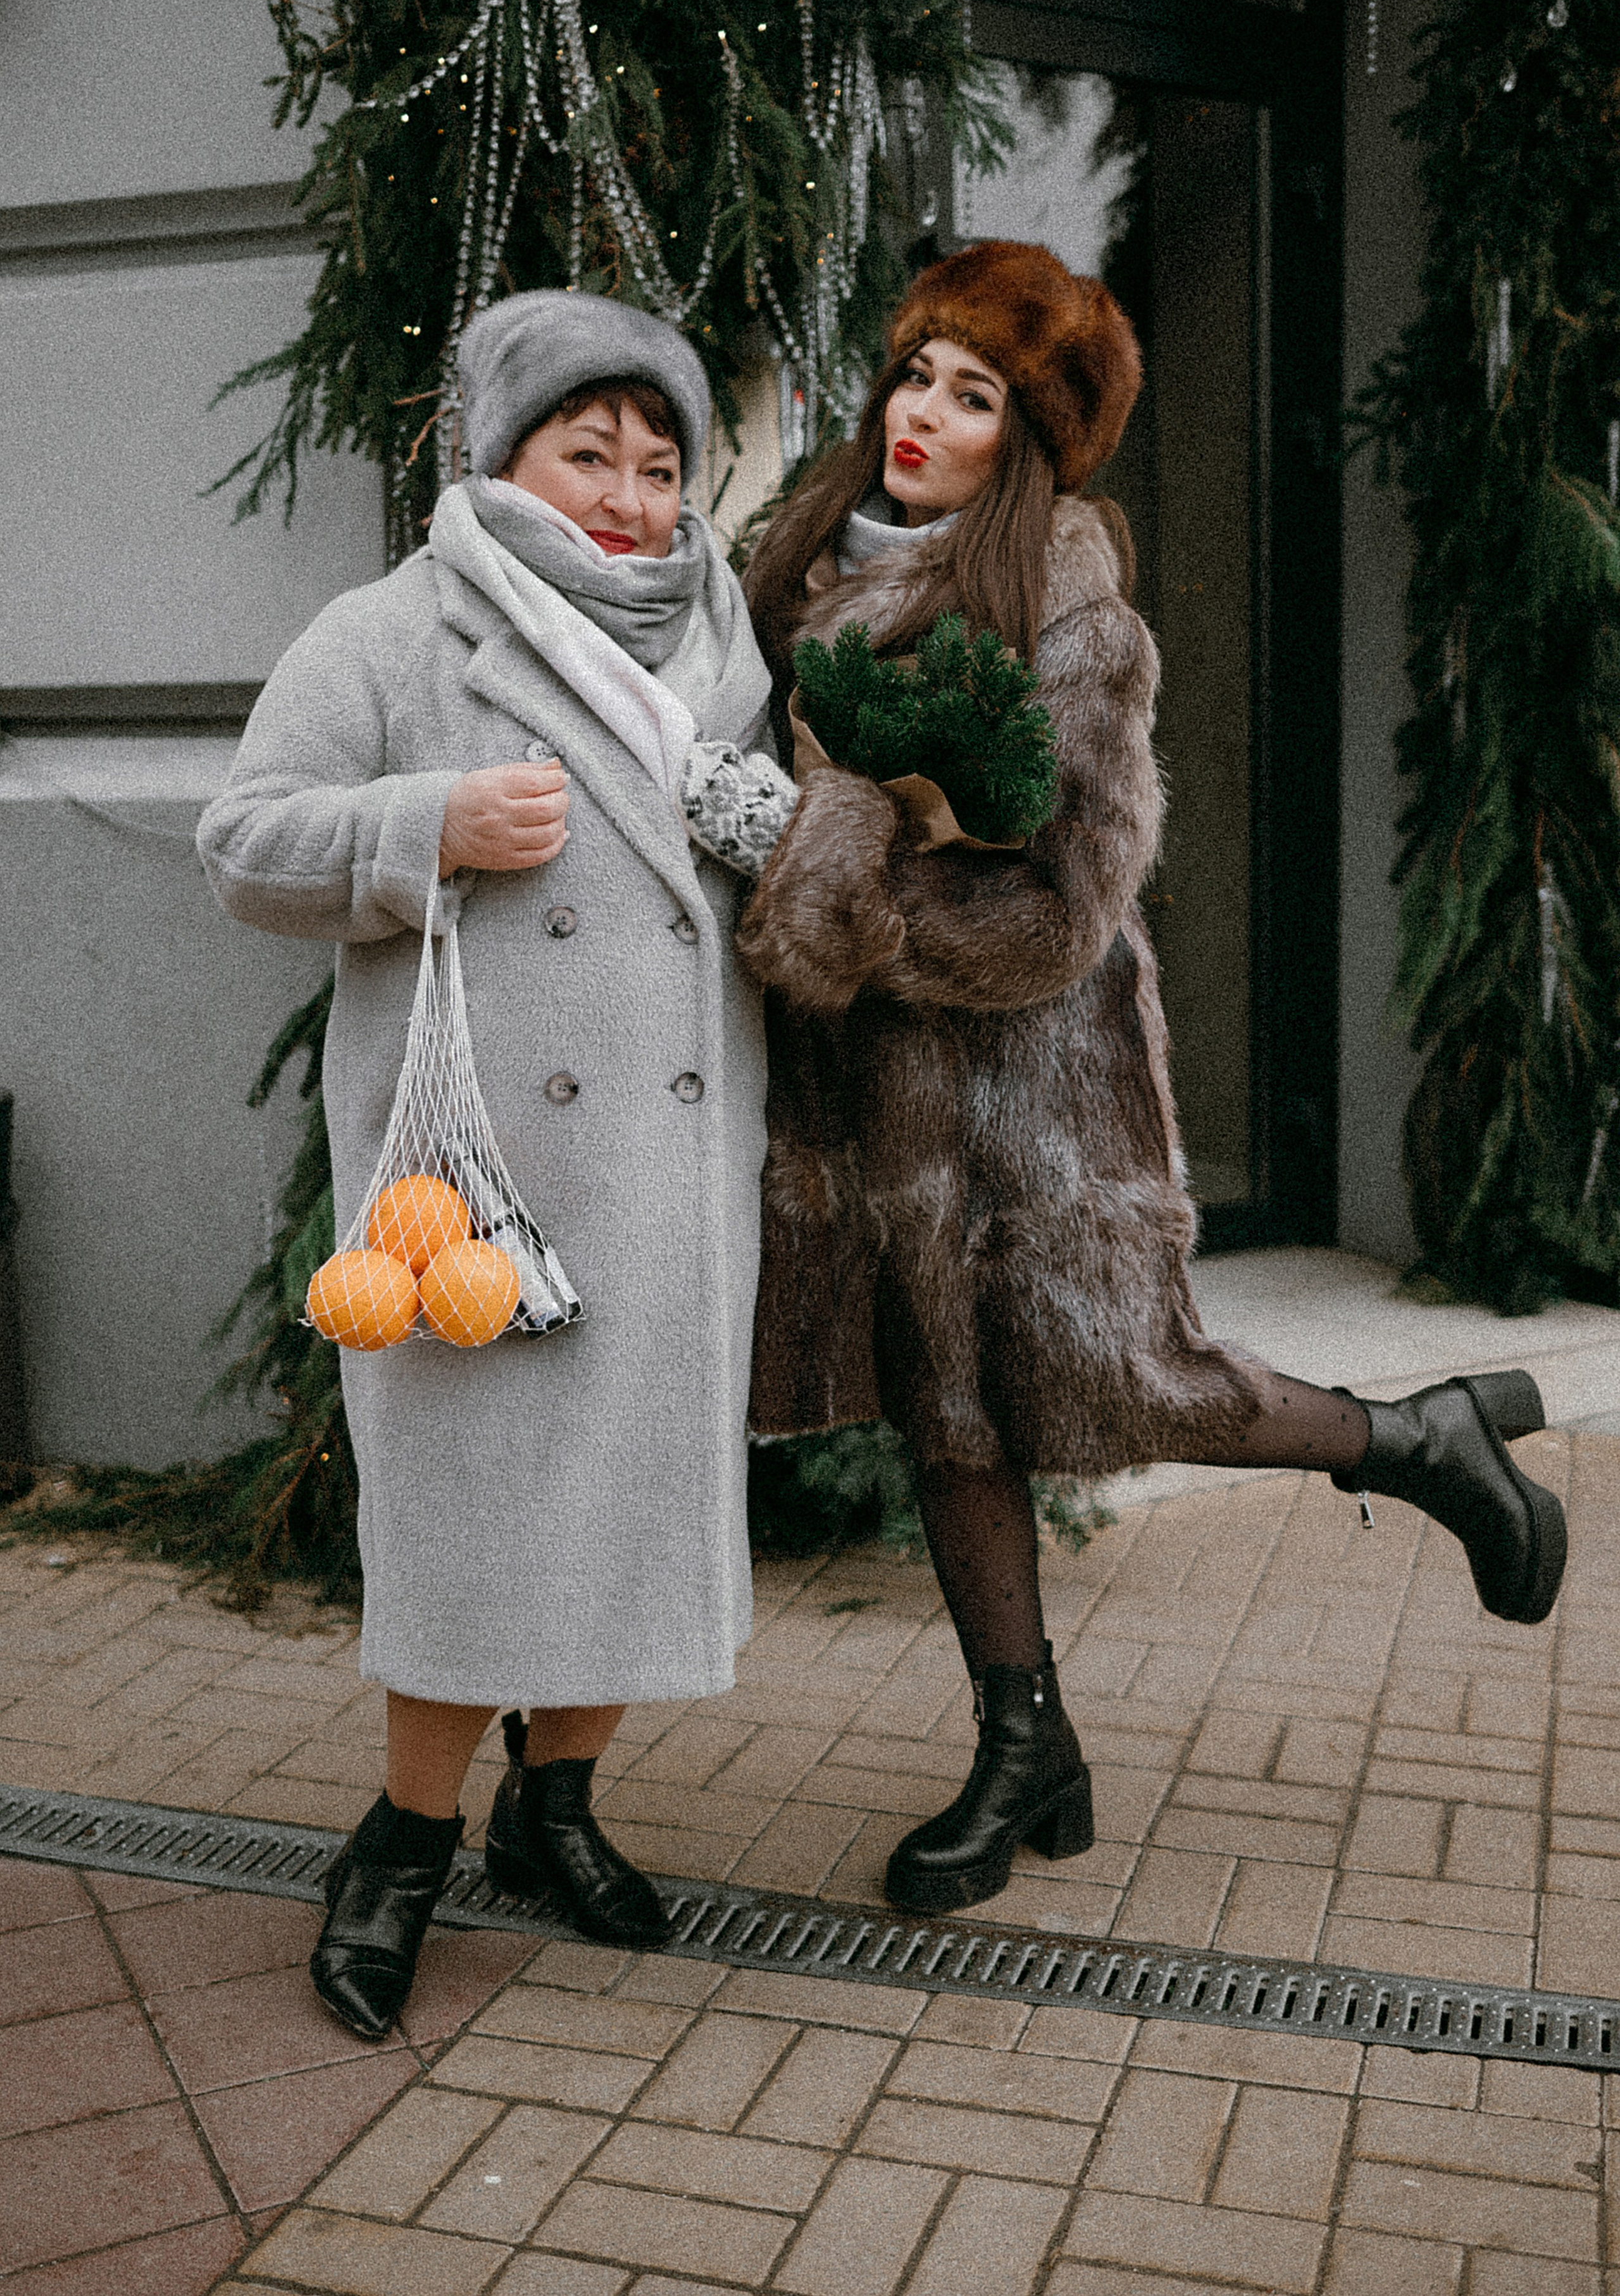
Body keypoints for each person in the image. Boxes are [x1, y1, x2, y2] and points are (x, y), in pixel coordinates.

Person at [737, 239, 1566, 1918]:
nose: (927, 414)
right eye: (918, 374)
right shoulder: (796, 565)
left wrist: (852, 892)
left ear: (1026, 438)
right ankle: (1022, 1743)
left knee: (1145, 1381)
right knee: (949, 1420)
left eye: (976, 396)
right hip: (883, 1113)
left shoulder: (1065, 598)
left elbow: (1067, 904)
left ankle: (1420, 1439)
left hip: (1038, 1103)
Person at [199, 290, 794, 2037]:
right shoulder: (398, 630)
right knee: (470, 1523)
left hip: (678, 1167)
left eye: (660, 462)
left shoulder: (723, 644)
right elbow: (243, 841)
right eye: (587, 451)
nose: (627, 495)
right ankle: (399, 1841)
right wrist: (422, 827)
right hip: (478, 1186)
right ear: (506, 454)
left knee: (633, 1510)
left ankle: (557, 1811)